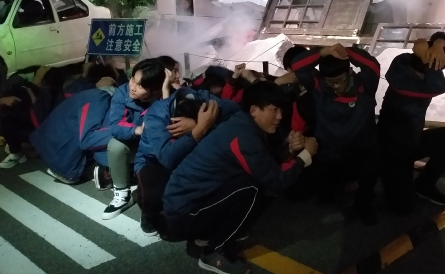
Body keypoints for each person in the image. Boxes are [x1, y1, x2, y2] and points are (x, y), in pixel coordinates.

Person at [163, 82, 317, 273]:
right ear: (254, 110)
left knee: (250, 182)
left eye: (281, 110)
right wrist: (306, 156)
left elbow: (264, 162)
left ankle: (209, 234)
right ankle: (215, 252)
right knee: (252, 187)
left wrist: (289, 148)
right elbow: (277, 181)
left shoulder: (242, 124)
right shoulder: (244, 135)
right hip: (184, 214)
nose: (279, 116)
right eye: (274, 109)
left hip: (189, 205)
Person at [289, 44, 381, 226]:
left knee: (369, 172)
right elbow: (297, 65)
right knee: (299, 192)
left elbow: (372, 65)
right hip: (329, 150)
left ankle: (363, 204)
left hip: (362, 149)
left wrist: (345, 51)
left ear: (349, 72)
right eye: (331, 82)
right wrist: (324, 51)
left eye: (340, 80)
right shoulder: (318, 86)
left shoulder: (365, 86)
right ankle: (331, 190)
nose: (336, 86)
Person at [135, 87, 240, 235]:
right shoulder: (157, 114)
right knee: (153, 190)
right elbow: (167, 158)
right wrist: (199, 130)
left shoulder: (206, 99)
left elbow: (237, 113)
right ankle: (149, 214)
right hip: (153, 160)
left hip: (191, 151)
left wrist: (200, 126)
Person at [378, 33, 445, 215]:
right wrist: (428, 57)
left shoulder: (414, 66)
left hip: (411, 142)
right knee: (403, 208)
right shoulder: (401, 74)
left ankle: (424, 184)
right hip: (391, 151)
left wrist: (438, 44)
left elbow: (439, 34)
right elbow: (438, 87)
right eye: (436, 67)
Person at [99, 58, 170, 220]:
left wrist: (166, 92)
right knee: (115, 145)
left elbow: (169, 127)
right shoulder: (123, 93)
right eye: (133, 80)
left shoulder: (167, 96)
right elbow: (116, 126)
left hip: (158, 147)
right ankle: (122, 193)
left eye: (140, 85)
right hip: (135, 143)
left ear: (155, 89)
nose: (132, 87)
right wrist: (138, 130)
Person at [29, 80, 119, 184]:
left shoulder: (87, 94)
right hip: (63, 160)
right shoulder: (100, 98)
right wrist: (125, 132)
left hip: (48, 144)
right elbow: (88, 139)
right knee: (106, 138)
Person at [0, 66, 66, 168]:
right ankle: (18, 147)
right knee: (8, 118)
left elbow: (39, 121)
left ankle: (17, 152)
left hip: (44, 133)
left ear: (44, 80)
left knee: (6, 121)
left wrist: (33, 101)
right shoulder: (62, 94)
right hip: (54, 135)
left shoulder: (45, 93)